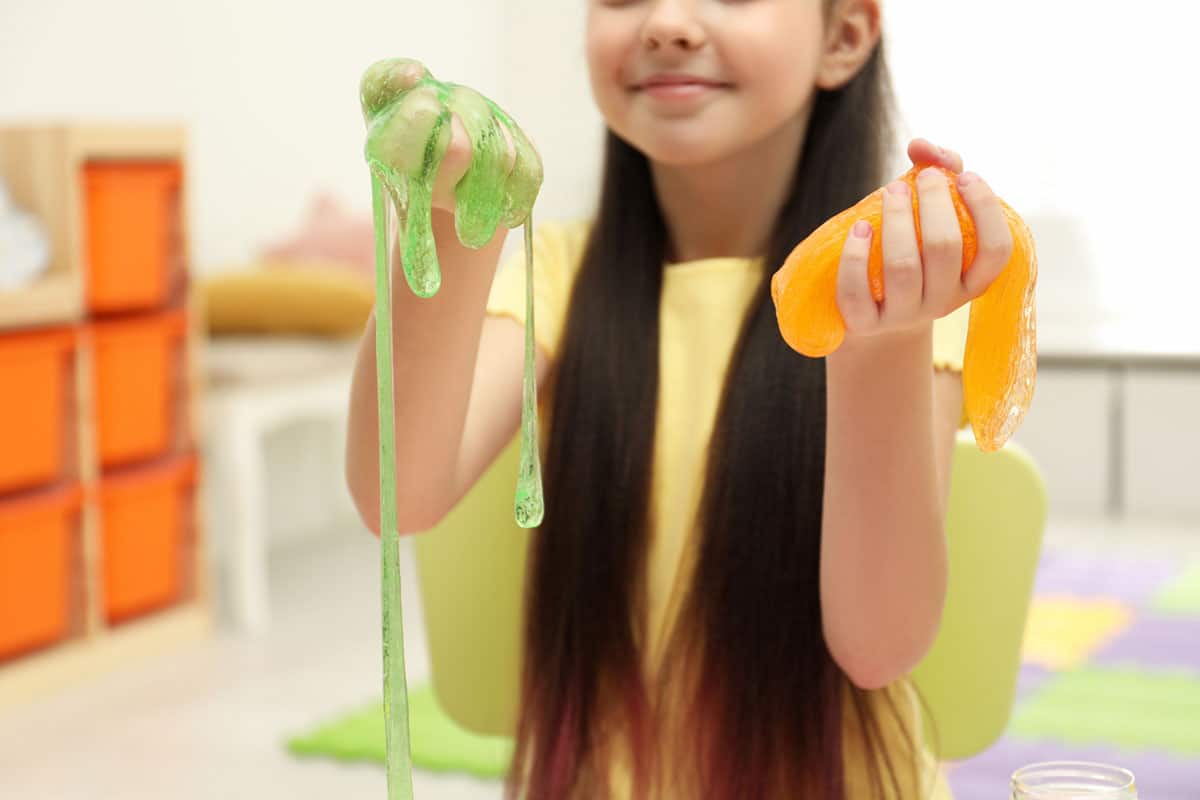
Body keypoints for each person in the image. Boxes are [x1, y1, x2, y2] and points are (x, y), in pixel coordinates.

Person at [345, 1, 1014, 797]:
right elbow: (397, 494)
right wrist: (456, 215)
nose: (666, 22)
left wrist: (880, 340)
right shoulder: (559, 274)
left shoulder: (896, 293)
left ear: (843, 37)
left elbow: (877, 644)